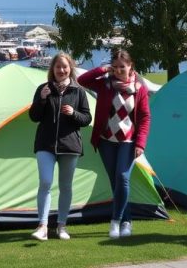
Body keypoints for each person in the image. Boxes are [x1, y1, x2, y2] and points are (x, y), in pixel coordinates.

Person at [78, 48, 151, 239]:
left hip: (128, 141)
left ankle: (116, 221)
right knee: (115, 183)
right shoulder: (105, 85)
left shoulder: (139, 89)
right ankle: (127, 221)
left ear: (131, 66)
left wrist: (140, 143)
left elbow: (144, 117)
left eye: (122, 67)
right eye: (116, 67)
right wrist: (103, 70)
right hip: (106, 141)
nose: (119, 70)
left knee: (123, 177)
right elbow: (82, 80)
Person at [28, 52, 92, 241]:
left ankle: (62, 226)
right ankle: (43, 226)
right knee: (45, 183)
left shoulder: (78, 91)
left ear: (70, 68)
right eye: (58, 67)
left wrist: (73, 113)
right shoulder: (43, 89)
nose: (61, 70)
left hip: (69, 145)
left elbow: (87, 119)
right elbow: (34, 117)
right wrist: (42, 99)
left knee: (65, 186)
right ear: (53, 69)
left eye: (65, 67)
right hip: (45, 144)